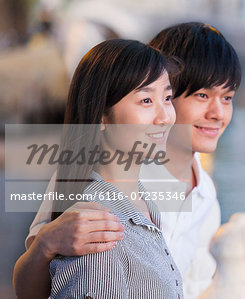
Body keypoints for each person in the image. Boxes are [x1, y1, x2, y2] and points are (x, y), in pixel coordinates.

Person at [13, 22, 241, 299]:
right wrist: (45, 244)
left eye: (227, 98)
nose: (218, 113)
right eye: (202, 95)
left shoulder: (204, 193)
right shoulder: (100, 197)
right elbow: (33, 284)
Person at [50, 38, 182, 298]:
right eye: (146, 101)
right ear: (101, 116)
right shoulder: (99, 232)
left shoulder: (140, 201)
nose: (165, 116)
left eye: (167, 98)